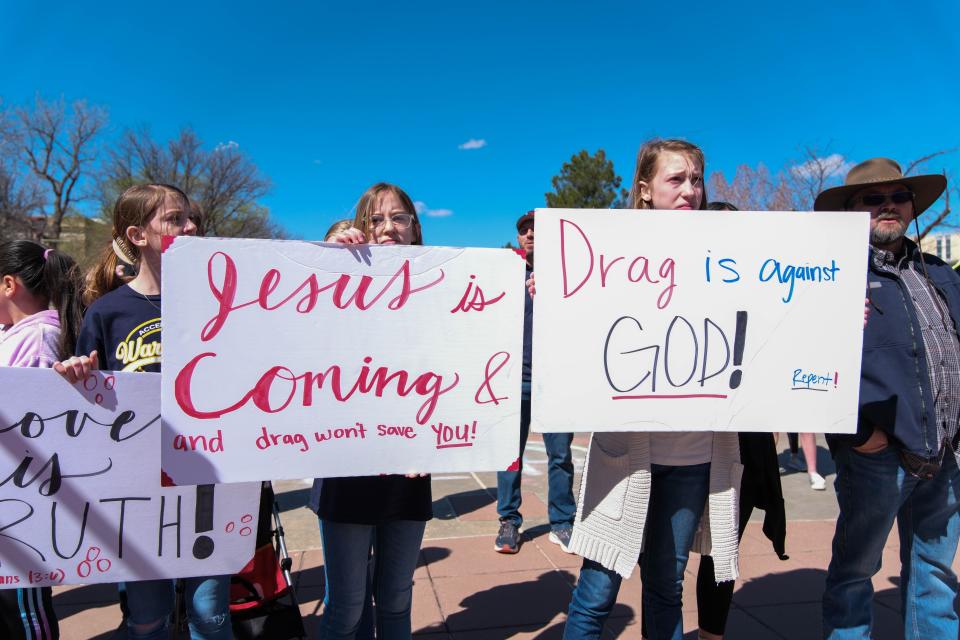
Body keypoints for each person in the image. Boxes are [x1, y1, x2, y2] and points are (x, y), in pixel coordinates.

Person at [558, 139, 742, 640]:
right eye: (676, 179)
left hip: (694, 455)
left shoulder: (729, 254)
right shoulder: (610, 253)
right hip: (626, 455)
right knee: (597, 590)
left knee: (666, 585)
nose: (690, 190)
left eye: (697, 179)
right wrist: (548, 293)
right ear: (644, 189)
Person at [55, 184, 233, 640]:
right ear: (137, 234)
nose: (190, 226)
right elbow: (82, 411)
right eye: (175, 219)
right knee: (147, 619)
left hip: (208, 482)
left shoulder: (220, 303)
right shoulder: (107, 314)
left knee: (210, 615)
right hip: (135, 490)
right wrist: (73, 375)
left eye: (190, 217)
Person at [816, 158, 960, 639]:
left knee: (935, 577)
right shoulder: (830, 275)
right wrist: (860, 434)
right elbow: (805, 361)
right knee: (855, 574)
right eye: (873, 200)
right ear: (852, 211)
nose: (888, 207)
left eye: (897, 197)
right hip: (877, 457)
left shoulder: (939, 272)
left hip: (945, 453)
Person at [309, 182, 431, 640]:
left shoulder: (439, 291)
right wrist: (328, 260)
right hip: (347, 469)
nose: (387, 228)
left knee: (397, 599)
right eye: (375, 220)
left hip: (411, 468)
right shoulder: (334, 282)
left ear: (415, 228)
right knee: (347, 609)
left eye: (398, 218)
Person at [689, 202, 788, 640]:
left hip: (746, 442)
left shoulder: (765, 291)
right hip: (682, 439)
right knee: (664, 554)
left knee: (722, 551)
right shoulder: (669, 284)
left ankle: (712, 634)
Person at [0, 240, 84, 640]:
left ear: (8, 284)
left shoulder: (37, 340)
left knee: (22, 606)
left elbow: (31, 428)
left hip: (20, 506)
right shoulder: (14, 334)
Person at [494, 210, 576, 554]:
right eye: (524, 230)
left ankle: (562, 522)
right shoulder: (500, 276)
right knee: (509, 455)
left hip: (555, 381)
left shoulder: (568, 275)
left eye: (536, 230)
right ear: (518, 238)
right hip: (514, 381)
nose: (529, 234)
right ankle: (509, 522)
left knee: (560, 456)